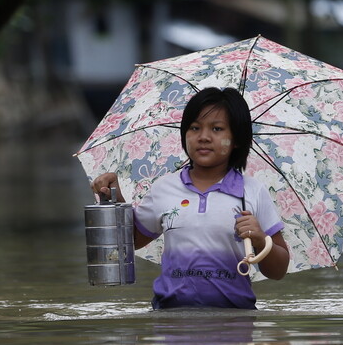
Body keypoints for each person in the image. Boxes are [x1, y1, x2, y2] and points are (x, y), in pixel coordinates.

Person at [91, 87, 289, 309]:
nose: (203, 137)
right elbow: (130, 242)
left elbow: (279, 271)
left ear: (237, 140)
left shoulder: (252, 192)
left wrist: (260, 239)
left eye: (217, 128)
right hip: (170, 317)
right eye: (195, 128)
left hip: (236, 319)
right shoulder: (164, 189)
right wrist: (114, 199)